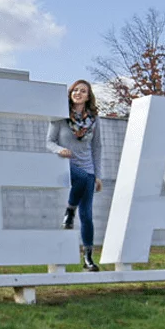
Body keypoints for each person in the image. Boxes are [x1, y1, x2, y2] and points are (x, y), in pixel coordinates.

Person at [47, 80, 104, 271]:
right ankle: (70, 209)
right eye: (75, 90)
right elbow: (49, 142)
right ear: (70, 94)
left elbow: (97, 147)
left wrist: (97, 174)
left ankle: (88, 259)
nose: (78, 93)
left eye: (83, 91)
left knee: (87, 215)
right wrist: (59, 149)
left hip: (87, 167)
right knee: (79, 178)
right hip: (66, 164)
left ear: (88, 96)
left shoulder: (94, 120)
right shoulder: (60, 116)